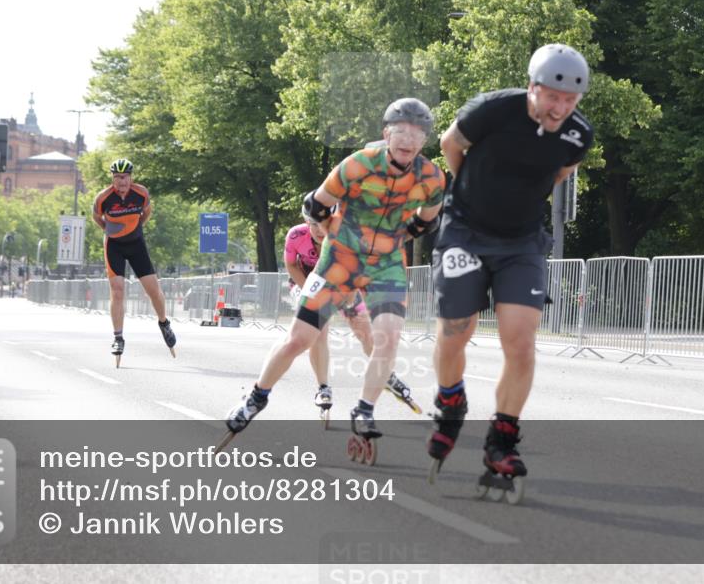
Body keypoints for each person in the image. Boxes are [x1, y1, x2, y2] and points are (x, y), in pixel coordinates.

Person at [223, 98, 444, 444]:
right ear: (387, 133)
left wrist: (396, 238)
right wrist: (340, 234)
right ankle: (256, 397)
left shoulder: (431, 177)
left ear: (425, 140)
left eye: (417, 134)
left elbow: (427, 221)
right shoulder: (357, 165)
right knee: (300, 339)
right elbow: (316, 204)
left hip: (386, 266)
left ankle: (364, 410)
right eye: (401, 131)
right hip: (339, 262)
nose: (408, 140)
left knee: (386, 338)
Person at [427, 44, 594, 488]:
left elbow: (558, 174)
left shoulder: (578, 135)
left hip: (521, 241)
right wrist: (472, 196)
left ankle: (502, 437)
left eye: (569, 100)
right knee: (455, 330)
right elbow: (450, 145)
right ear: (532, 88)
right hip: (464, 231)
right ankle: (451, 402)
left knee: (520, 343)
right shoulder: (492, 110)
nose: (560, 107)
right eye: (551, 96)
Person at [283, 213, 418, 416]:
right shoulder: (295, 236)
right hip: (306, 283)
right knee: (318, 329)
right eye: (314, 225)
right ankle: (323, 388)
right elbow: (291, 265)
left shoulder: (348, 236)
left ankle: (386, 375)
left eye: (324, 224)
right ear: (306, 223)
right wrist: (309, 292)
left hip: (344, 283)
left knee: (365, 331)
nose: (320, 230)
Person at [91, 158, 177, 359]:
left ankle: (164, 323)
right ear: (112, 179)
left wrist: (136, 228)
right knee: (118, 291)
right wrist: (108, 230)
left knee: (153, 291)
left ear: (131, 178)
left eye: (125, 177)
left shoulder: (141, 193)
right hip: (114, 246)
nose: (122, 182)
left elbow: (146, 212)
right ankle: (118, 337)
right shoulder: (103, 198)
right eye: (118, 177)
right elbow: (97, 217)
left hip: (136, 244)